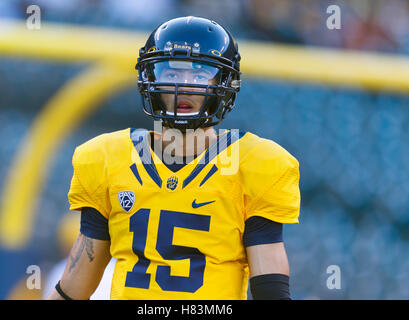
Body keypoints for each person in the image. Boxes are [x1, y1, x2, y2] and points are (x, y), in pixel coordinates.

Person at [46, 16, 300, 300]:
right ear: (150, 78)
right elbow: (72, 289)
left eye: (200, 74)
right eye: (172, 73)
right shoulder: (106, 158)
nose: (185, 85)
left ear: (224, 83)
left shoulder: (256, 165)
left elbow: (271, 291)